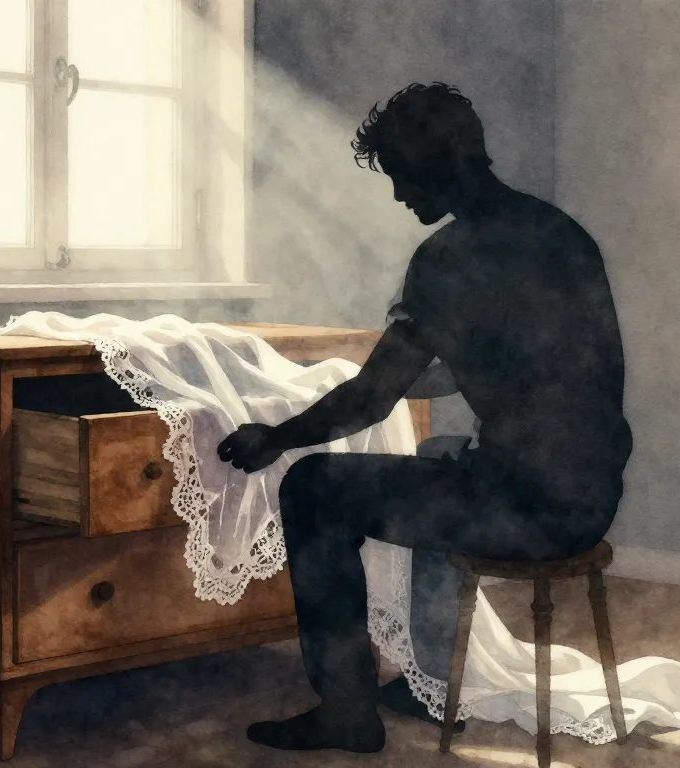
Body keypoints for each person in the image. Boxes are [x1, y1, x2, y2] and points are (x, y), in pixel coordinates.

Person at [216, 82, 633, 753]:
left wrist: (277, 436)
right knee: (440, 457)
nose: (399, 195)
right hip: (590, 498)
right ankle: (431, 678)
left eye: (402, 176)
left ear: (437, 164)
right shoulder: (562, 235)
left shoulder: (448, 260)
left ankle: (346, 710)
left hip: (526, 512)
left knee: (313, 488)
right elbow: (540, 370)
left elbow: (371, 399)